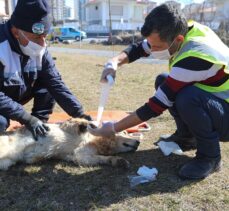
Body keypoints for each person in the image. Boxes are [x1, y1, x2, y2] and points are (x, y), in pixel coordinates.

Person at [89, 3, 229, 180]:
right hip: (217, 99)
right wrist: (114, 62)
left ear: (178, 40)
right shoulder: (184, 29)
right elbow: (140, 48)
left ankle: (210, 157)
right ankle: (187, 137)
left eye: (157, 47)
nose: (152, 50)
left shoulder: (195, 57)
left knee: (188, 98)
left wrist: (113, 128)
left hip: (226, 112)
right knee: (163, 80)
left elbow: (155, 106)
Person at [0, 0, 90, 140]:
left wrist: (80, 114)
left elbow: (55, 82)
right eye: (36, 38)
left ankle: (39, 124)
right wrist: (26, 118)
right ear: (16, 32)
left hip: (14, 94)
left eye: (44, 37)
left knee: (47, 82)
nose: (42, 44)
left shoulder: (39, 48)